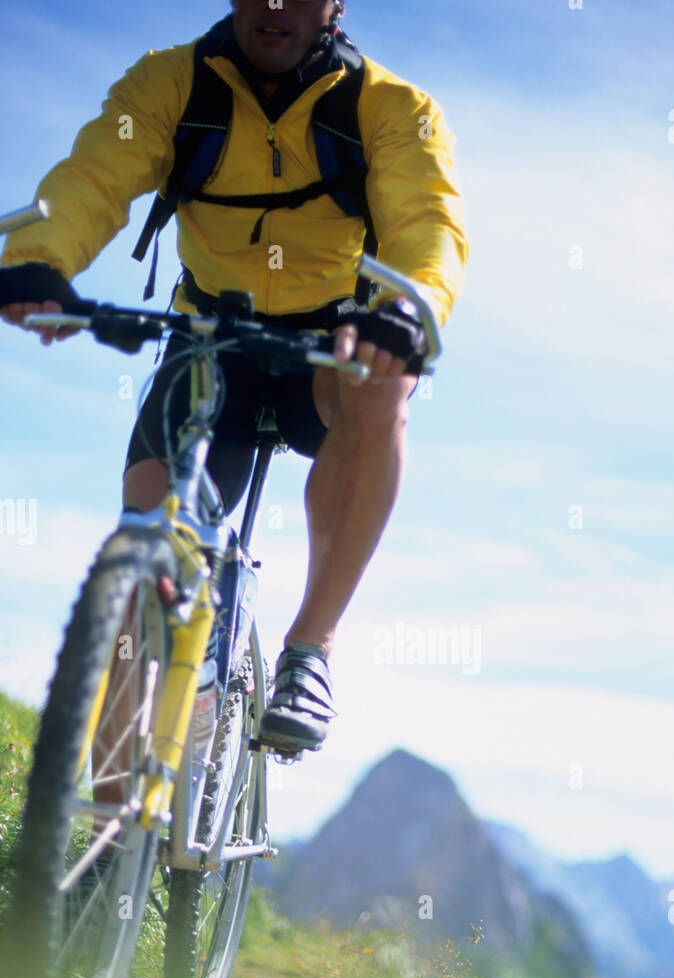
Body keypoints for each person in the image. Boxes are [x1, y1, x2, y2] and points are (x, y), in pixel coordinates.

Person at [0, 0, 467, 753]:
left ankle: (309, 650)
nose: (275, 5)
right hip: (211, 338)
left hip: (331, 351)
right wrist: (37, 261)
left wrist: (406, 311)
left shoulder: (391, 107)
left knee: (385, 385)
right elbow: (91, 179)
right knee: (146, 553)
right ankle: (110, 842)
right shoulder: (169, 84)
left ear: (335, 5)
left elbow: (427, 225)